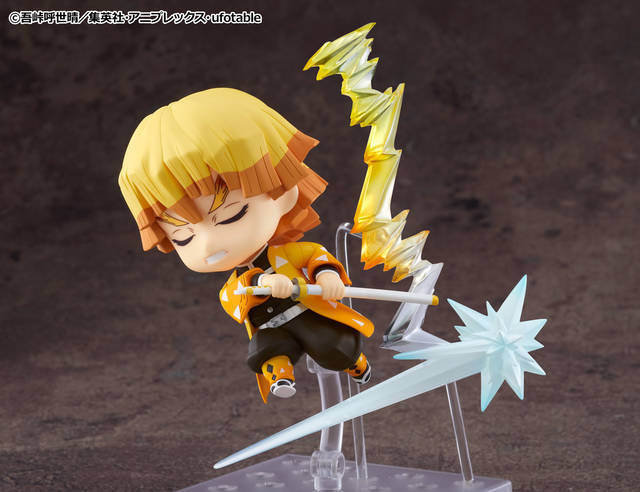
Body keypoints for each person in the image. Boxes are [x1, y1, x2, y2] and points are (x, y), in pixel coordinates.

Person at [119, 88, 373, 403]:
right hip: (271, 326)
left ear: (284, 192)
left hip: (307, 311)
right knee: (265, 349)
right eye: (183, 237)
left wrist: (327, 276)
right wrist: (260, 283)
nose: (208, 244)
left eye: (232, 215)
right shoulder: (236, 283)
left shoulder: (287, 254)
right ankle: (281, 376)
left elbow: (315, 256)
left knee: (331, 343)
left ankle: (355, 363)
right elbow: (232, 299)